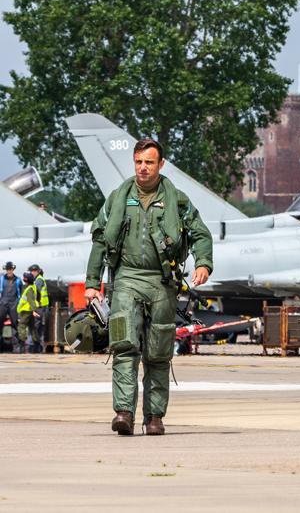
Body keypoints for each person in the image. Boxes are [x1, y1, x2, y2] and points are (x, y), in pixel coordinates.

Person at [84, 138, 214, 436]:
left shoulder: (177, 200)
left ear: (161, 164)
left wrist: (204, 263)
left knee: (158, 353)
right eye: (139, 162)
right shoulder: (118, 198)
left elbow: (200, 233)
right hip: (126, 280)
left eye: (149, 162)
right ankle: (123, 413)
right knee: (124, 347)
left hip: (161, 282)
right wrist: (92, 283)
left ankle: (154, 416)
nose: (143, 168)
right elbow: (100, 240)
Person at [16, 271, 43, 352]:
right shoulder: (33, 287)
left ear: (26, 280)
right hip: (30, 311)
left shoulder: (28, 289)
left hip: (25, 311)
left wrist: (34, 310)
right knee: (32, 328)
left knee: (21, 326)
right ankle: (37, 345)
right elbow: (38, 297)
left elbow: (31, 301)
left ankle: (21, 345)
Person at [0, 262, 24, 353]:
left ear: (13, 269)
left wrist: (20, 304)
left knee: (15, 324)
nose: (9, 271)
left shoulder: (18, 280)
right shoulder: (1, 279)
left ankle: (17, 347)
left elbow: (21, 294)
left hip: (14, 304)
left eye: (10, 269)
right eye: (7, 269)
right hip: (3, 303)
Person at [27, 264, 48, 353]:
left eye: (34, 271)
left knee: (35, 326)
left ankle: (32, 346)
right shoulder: (38, 279)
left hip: (39, 307)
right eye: (31, 271)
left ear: (38, 271)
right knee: (39, 327)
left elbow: (35, 293)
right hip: (41, 307)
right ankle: (37, 346)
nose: (33, 273)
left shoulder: (39, 280)